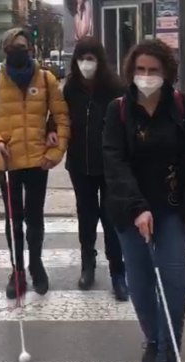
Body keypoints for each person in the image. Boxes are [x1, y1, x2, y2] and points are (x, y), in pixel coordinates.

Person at [103, 40, 185, 362]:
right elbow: (114, 163)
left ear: (167, 73)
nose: (146, 76)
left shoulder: (182, 106)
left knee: (174, 284)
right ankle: (152, 338)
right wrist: (137, 207)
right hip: (130, 210)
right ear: (131, 72)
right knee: (140, 283)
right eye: (140, 70)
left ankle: (169, 358)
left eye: (153, 70)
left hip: (173, 208)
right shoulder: (118, 110)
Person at [0, 28, 70, 299]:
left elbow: (61, 117)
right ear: (6, 50)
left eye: (23, 46)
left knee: (35, 218)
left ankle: (36, 265)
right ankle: (16, 270)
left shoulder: (46, 79)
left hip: (38, 161)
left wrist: (55, 153)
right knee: (14, 220)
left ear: (31, 49)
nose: (19, 51)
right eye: (14, 47)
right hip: (8, 162)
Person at [48, 37, 128, 301]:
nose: (86, 64)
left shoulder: (115, 88)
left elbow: (127, 121)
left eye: (90, 58)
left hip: (110, 166)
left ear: (99, 60)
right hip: (80, 165)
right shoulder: (70, 88)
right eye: (81, 58)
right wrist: (51, 130)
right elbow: (58, 116)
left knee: (111, 218)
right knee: (87, 216)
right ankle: (88, 264)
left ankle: (118, 271)